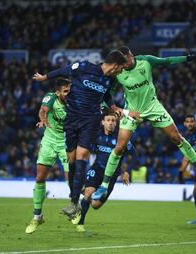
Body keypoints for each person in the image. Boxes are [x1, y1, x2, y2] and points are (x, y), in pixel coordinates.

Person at [92, 46, 196, 201]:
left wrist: (187, 58)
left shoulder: (145, 60)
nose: (130, 60)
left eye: (131, 56)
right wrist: (109, 107)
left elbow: (167, 61)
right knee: (120, 147)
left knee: (177, 138)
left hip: (153, 107)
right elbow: (107, 93)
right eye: (126, 60)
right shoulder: (118, 72)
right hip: (132, 111)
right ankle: (104, 186)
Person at [32, 50, 127, 219]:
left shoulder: (110, 80)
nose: (121, 71)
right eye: (121, 68)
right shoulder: (84, 67)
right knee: (72, 160)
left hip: (90, 120)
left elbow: (106, 96)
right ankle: (74, 198)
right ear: (115, 65)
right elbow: (63, 71)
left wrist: (114, 107)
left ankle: (74, 203)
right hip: (72, 118)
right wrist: (45, 77)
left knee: (82, 155)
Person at [71, 108, 135, 232]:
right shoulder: (97, 135)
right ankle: (80, 223)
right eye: (108, 120)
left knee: (95, 205)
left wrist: (127, 171)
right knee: (89, 192)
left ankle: (83, 196)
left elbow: (135, 155)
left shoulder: (121, 138)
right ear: (103, 122)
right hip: (97, 169)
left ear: (116, 123)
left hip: (111, 175)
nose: (111, 122)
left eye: (113, 120)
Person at [25, 78, 71, 234]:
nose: (68, 93)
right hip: (50, 140)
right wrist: (43, 119)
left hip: (66, 142)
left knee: (70, 177)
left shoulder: (75, 101)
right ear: (58, 92)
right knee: (39, 178)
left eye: (69, 90)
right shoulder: (51, 97)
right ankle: (37, 216)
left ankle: (75, 208)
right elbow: (43, 110)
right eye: (65, 91)